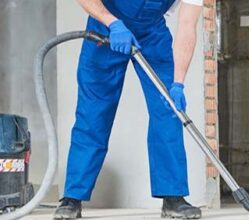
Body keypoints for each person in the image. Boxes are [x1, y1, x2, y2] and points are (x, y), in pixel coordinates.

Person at [54, 0, 203, 219]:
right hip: (105, 28)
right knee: (93, 114)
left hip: (152, 33)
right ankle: (72, 198)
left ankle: (173, 197)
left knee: (168, 109)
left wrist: (178, 83)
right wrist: (112, 22)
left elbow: (188, 25)